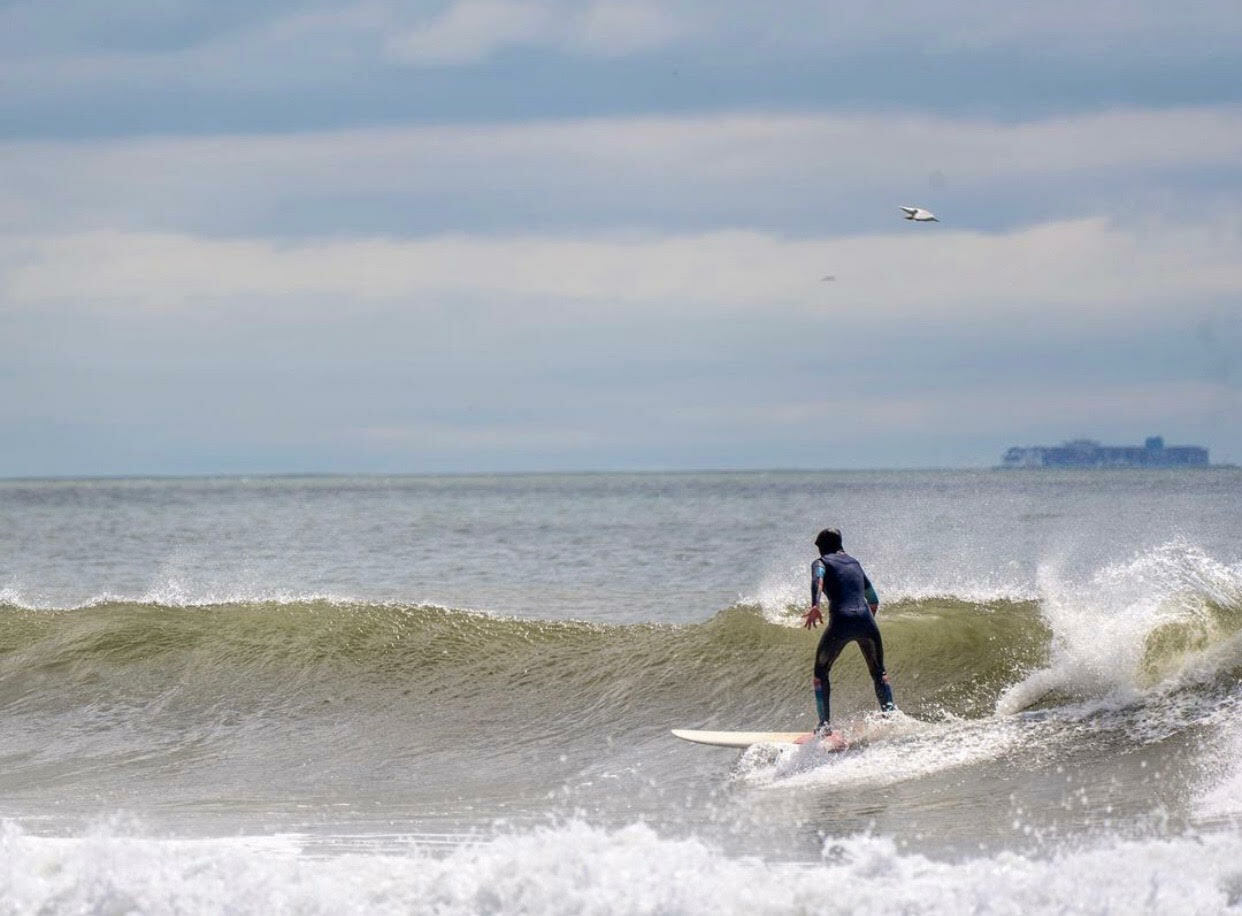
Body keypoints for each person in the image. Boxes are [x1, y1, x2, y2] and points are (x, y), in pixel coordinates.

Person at [802, 527, 895, 735]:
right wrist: (863, 622)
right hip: (867, 622)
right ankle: (891, 716)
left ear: (822, 546)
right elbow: (873, 599)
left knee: (820, 673)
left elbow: (818, 579)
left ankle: (824, 726)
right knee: (879, 672)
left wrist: (815, 605)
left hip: (841, 621)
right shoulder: (855, 563)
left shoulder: (821, 562)